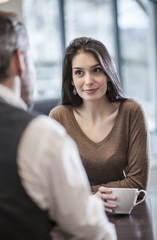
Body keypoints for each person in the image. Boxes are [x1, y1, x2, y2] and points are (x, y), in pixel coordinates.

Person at [0, 11, 117, 240]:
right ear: (19, 61)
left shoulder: (130, 112)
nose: (88, 80)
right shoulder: (39, 134)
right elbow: (93, 234)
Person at [49, 37, 150, 213]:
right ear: (71, 79)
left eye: (96, 70)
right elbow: (55, 185)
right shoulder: (58, 117)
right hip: (76, 216)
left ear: (108, 73)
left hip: (122, 212)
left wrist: (87, 196)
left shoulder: (132, 111)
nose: (88, 81)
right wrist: (89, 200)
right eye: (79, 73)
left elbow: (137, 184)